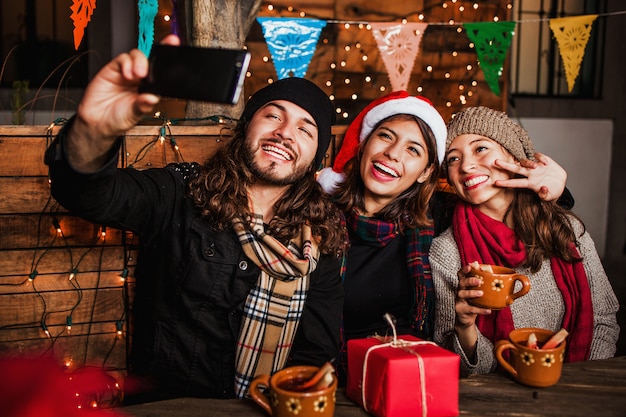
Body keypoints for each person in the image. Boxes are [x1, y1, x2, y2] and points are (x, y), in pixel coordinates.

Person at [44, 35, 347, 402]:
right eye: (273, 115)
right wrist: (94, 131)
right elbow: (88, 194)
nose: (284, 132)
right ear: (245, 127)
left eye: (305, 128)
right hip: (168, 408)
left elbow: (316, 352)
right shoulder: (180, 193)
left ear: (315, 157)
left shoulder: (320, 239)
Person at [316, 93, 570, 383]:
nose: (393, 153)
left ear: (426, 172)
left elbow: (504, 208)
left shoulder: (436, 215)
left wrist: (557, 190)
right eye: (385, 136)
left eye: (413, 150)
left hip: (416, 375)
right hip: (334, 377)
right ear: (363, 148)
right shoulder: (317, 217)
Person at [431, 106, 620, 376]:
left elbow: (603, 320)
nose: (466, 165)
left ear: (515, 157)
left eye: (481, 148)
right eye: (452, 158)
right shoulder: (447, 252)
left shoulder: (566, 229)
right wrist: (465, 327)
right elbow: (470, 368)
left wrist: (581, 382)